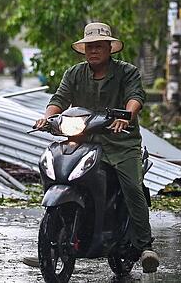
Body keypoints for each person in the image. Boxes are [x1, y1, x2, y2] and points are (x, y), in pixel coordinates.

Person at [22, 22, 159, 274]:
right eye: (89, 47)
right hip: (83, 140)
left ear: (110, 48)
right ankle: (50, 243)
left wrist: (126, 116)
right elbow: (59, 100)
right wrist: (47, 117)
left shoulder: (127, 72)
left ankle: (145, 244)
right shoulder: (74, 73)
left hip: (120, 142)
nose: (93, 51)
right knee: (57, 173)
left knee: (130, 184)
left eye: (98, 46)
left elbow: (135, 97)